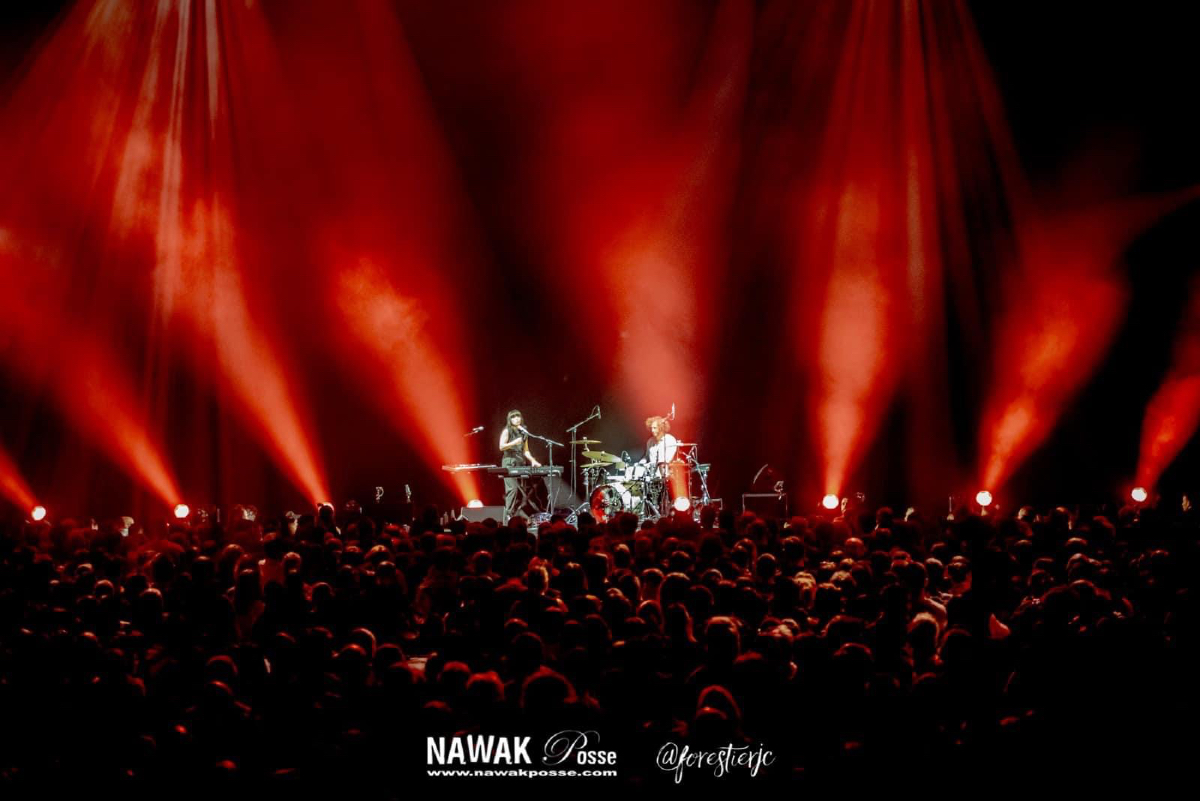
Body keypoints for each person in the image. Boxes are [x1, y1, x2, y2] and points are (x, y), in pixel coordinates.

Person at [499, 409, 541, 522]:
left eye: (518, 416)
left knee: (522, 490)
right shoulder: (507, 431)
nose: (516, 419)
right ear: (510, 419)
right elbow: (501, 446)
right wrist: (514, 442)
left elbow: (526, 450)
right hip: (509, 461)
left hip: (520, 461)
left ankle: (518, 516)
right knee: (512, 489)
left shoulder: (524, 432)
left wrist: (533, 460)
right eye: (513, 417)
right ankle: (508, 516)